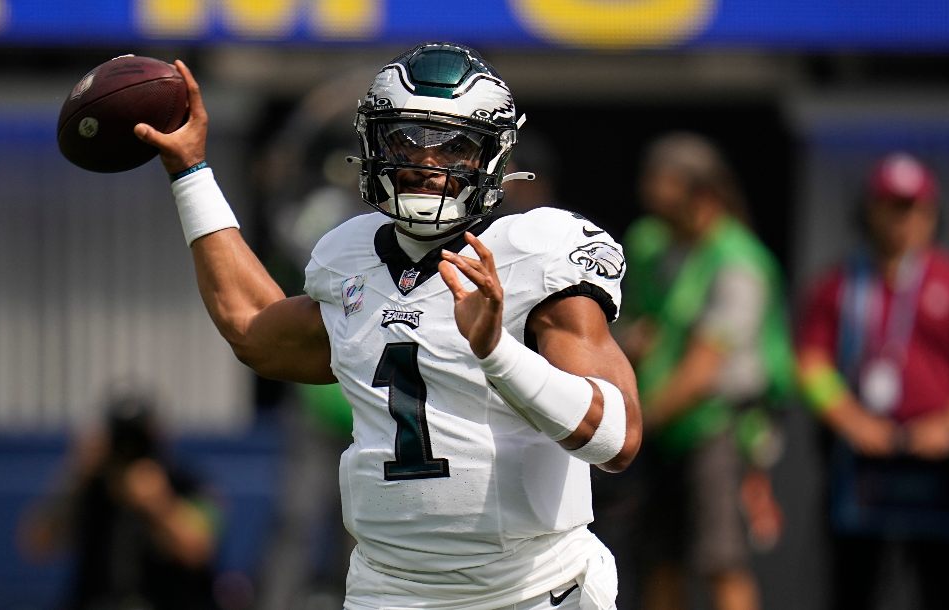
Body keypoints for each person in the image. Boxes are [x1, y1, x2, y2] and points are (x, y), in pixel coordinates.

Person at [131, 42, 642, 610]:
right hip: (388, 589)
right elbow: (253, 328)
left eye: (453, 145)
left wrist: (497, 351)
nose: (426, 163)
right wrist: (191, 171)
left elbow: (617, 440)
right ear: (372, 146)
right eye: (405, 140)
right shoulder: (348, 255)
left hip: (531, 588)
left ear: (491, 158)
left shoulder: (538, 250)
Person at [796, 152, 949, 610]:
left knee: (941, 587)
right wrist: (851, 420)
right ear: (869, 210)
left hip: (934, 462)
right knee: (854, 588)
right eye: (892, 206)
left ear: (932, 213)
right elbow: (811, 364)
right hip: (861, 463)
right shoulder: (840, 284)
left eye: (914, 207)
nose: (903, 219)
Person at [616, 133, 793, 610]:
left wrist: (634, 424)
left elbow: (704, 368)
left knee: (721, 558)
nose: (651, 193)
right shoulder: (651, 243)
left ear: (705, 193)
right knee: (656, 559)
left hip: (718, 428)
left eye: (666, 183)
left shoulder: (739, 263)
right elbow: (638, 325)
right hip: (659, 431)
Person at [18, 392, 220, 610]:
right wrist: (76, 473)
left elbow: (200, 550)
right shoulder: (91, 485)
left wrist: (159, 505)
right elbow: (37, 545)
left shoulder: (186, 482)